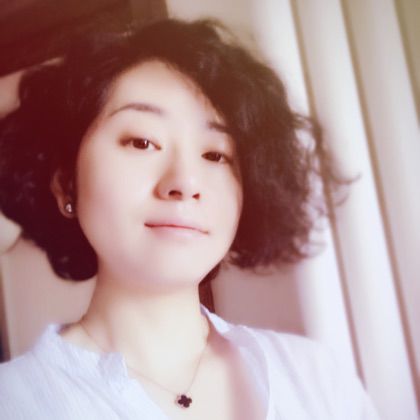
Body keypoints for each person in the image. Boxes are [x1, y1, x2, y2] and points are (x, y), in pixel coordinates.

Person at [0, 18, 380, 420]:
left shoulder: (319, 378)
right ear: (66, 185)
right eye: (142, 142)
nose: (185, 183)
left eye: (215, 154)